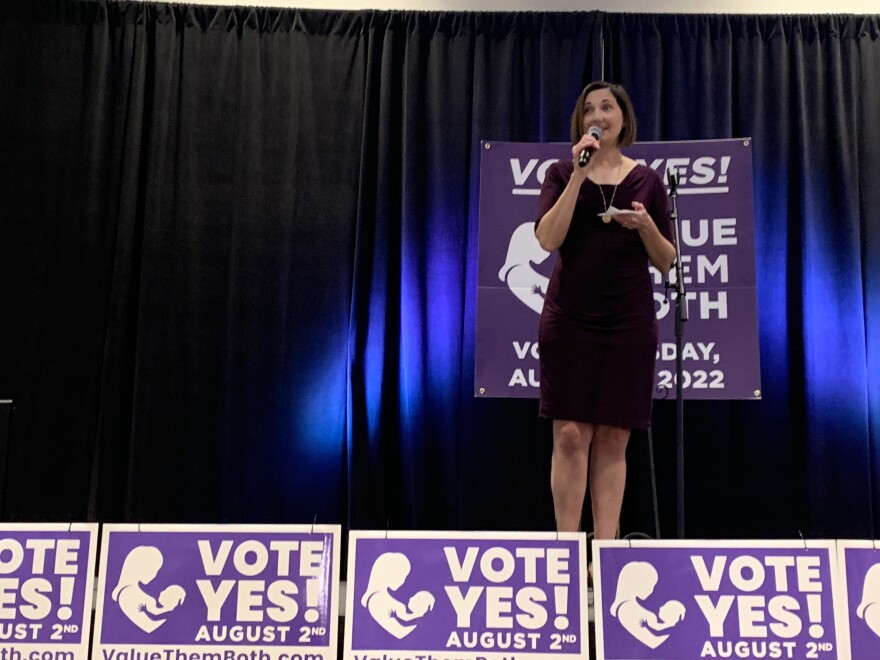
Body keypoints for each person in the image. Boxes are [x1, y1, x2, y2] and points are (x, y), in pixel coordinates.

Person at [534, 82, 676, 556]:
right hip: (570, 322)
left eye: (607, 106)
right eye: (589, 109)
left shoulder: (648, 182)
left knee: (615, 435)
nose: (598, 114)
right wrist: (579, 174)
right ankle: (567, 551)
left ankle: (607, 553)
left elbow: (667, 260)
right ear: (581, 124)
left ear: (623, 117)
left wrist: (648, 226)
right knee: (571, 433)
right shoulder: (559, 172)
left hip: (629, 323)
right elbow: (547, 240)